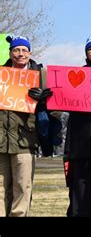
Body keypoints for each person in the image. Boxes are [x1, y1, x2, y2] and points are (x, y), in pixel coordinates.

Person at [0, 35, 52, 217]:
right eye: (16, 50)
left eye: (24, 50)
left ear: (30, 53)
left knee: (22, 187)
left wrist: (44, 100)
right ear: (10, 52)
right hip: (1, 140)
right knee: (0, 189)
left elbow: (56, 108)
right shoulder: (1, 73)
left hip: (25, 140)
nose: (20, 54)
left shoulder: (41, 74)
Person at [63, 33, 91, 217]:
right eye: (90, 48)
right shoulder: (76, 75)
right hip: (81, 145)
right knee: (81, 191)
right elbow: (61, 100)